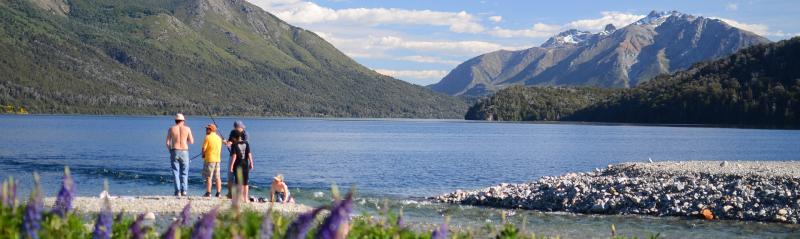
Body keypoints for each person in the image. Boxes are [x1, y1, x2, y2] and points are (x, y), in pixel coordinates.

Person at [166, 113, 193, 196]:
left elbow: (167, 142)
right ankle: (184, 190)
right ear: (183, 121)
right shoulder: (187, 129)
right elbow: (191, 141)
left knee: (175, 172)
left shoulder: (171, 129)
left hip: (174, 150)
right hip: (184, 151)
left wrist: (170, 150)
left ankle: (177, 191)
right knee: (184, 172)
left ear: (176, 121)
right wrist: (185, 140)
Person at [225, 120, 248, 198]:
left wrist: (232, 143)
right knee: (230, 175)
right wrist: (228, 143)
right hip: (233, 155)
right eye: (240, 127)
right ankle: (230, 193)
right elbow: (230, 141)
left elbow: (244, 144)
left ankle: (239, 195)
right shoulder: (232, 132)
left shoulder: (245, 133)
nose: (241, 128)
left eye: (242, 127)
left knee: (240, 176)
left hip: (241, 158)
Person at [229, 131, 253, 202]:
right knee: (245, 183)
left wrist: (231, 166)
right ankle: (245, 199)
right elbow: (249, 153)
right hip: (245, 164)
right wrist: (251, 162)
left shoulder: (234, 145)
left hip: (238, 165)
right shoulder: (246, 143)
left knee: (238, 182)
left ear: (234, 137)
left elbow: (234, 156)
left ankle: (239, 198)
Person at [201, 124, 223, 198]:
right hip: (218, 160)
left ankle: (208, 193)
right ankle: (218, 193)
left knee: (208, 177)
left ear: (211, 130)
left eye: (207, 129)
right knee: (217, 177)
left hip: (210, 160)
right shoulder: (219, 138)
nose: (206, 130)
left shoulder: (207, 137)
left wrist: (203, 155)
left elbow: (203, 149)